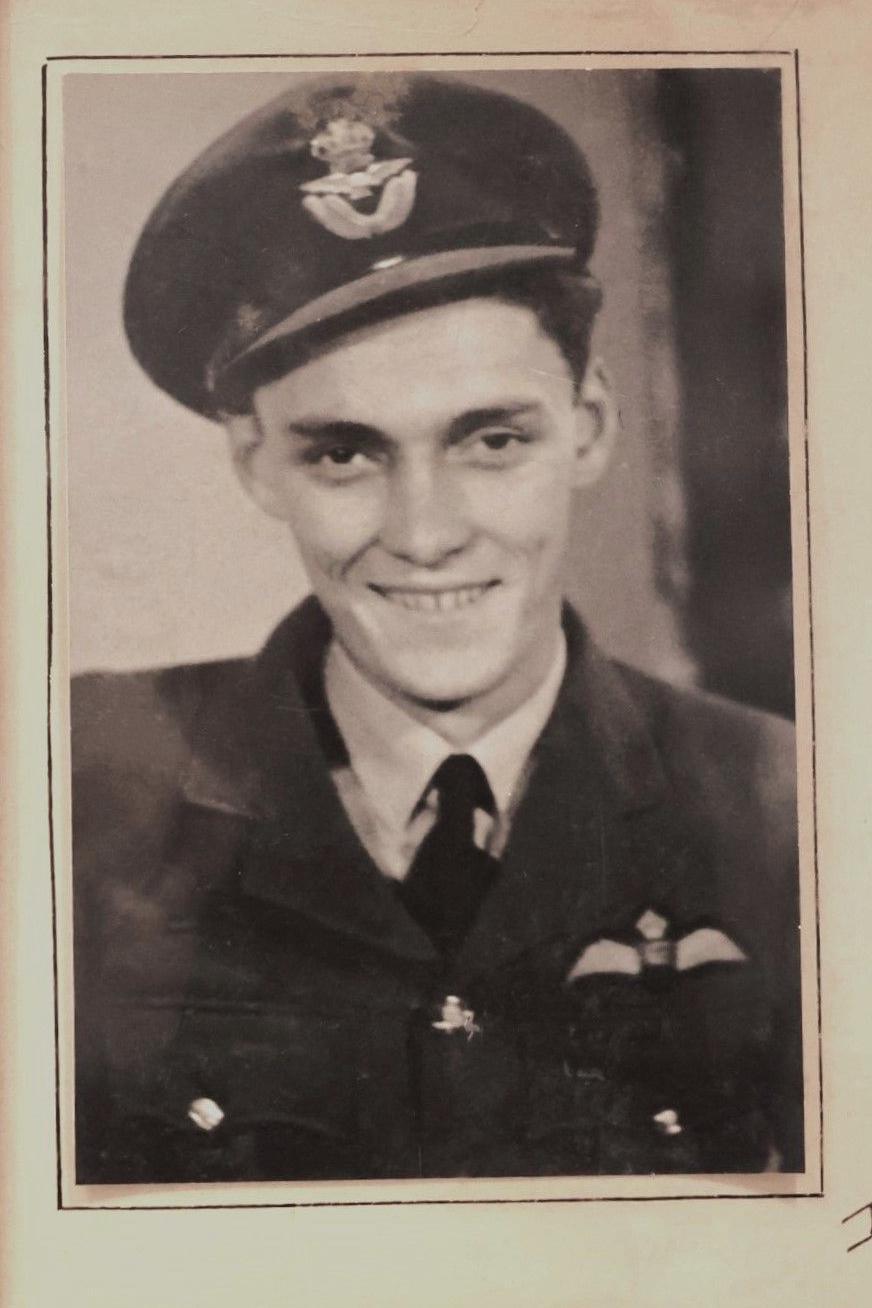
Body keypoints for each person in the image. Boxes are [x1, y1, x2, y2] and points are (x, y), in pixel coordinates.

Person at [71, 73, 803, 1184]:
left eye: (490, 441)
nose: (423, 535)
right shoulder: (69, 799)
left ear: (588, 427)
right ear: (255, 461)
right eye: (343, 452)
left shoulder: (790, 818)